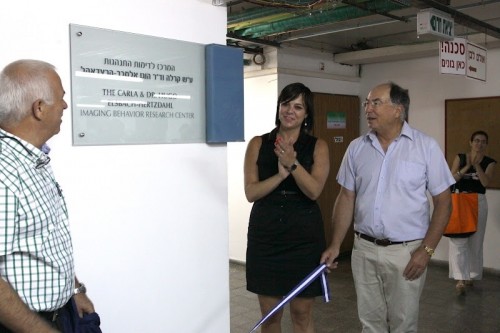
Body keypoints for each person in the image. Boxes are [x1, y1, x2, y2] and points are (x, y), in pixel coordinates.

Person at [320, 82, 455, 333]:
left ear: (398, 110)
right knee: (370, 325)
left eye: (376, 102)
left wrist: (426, 251)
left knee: (403, 325)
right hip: (364, 250)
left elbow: (444, 202)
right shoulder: (357, 148)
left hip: (407, 253)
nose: (368, 109)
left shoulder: (425, 147)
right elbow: (346, 197)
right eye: (366, 103)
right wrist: (336, 244)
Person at [0, 59, 96, 332]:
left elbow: (46, 237)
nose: (65, 106)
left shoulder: (32, 160)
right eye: (61, 98)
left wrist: (75, 289)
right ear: (39, 108)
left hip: (60, 312)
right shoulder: (4, 173)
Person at [244, 82, 330, 333]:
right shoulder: (258, 144)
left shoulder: (318, 146)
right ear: (278, 107)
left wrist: (293, 164)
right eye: (285, 104)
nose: (290, 111)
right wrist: (280, 176)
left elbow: (314, 191)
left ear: (307, 114)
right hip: (266, 237)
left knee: (302, 314)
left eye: (298, 106)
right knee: (270, 316)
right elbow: (251, 192)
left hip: (304, 239)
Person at [448, 130, 496, 294]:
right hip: (459, 201)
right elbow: (451, 179)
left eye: (483, 141)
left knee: (476, 241)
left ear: (486, 144)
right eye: (476, 140)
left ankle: (470, 276)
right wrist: (468, 165)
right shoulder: (460, 158)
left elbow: (485, 182)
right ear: (470, 142)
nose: (479, 144)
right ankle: (460, 278)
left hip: (478, 202)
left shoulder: (490, 162)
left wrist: (476, 165)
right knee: (458, 241)